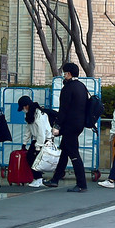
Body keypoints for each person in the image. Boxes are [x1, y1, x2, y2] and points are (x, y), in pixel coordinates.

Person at [43, 62, 90, 192]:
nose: (63, 75)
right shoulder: (81, 86)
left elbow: (63, 110)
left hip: (69, 125)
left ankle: (81, 184)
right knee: (65, 151)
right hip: (79, 124)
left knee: (74, 154)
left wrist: (57, 125)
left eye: (64, 73)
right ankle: (55, 179)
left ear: (68, 74)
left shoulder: (68, 88)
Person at [17, 95, 52, 188]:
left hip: (44, 140)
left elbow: (42, 132)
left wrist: (38, 146)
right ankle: (37, 178)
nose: (23, 109)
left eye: (23, 107)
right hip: (36, 139)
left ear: (27, 106)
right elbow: (28, 129)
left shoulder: (39, 115)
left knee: (35, 159)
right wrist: (24, 143)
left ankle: (38, 178)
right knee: (30, 157)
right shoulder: (29, 114)